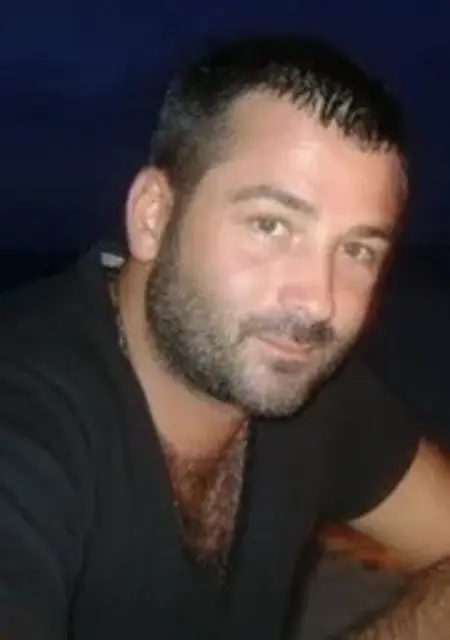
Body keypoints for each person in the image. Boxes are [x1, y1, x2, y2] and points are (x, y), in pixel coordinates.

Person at [1, 34, 450, 640]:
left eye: (357, 250)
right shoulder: (27, 417)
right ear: (154, 216)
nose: (317, 301)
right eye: (271, 225)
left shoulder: (305, 384)